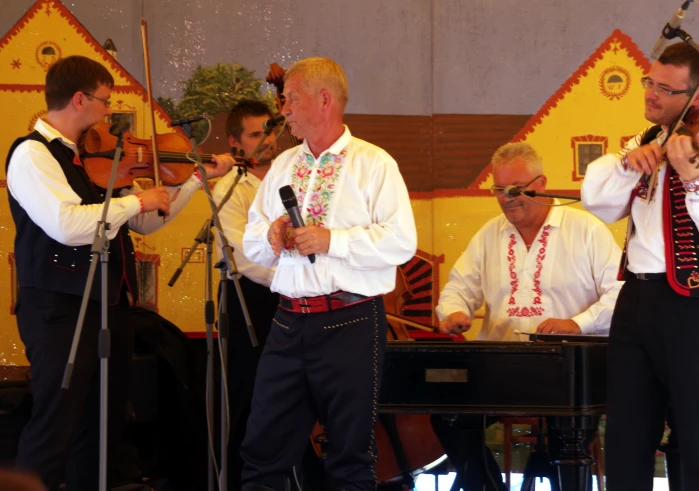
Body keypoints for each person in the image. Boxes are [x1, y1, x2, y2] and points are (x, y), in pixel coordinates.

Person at [5, 55, 235, 491]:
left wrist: (191, 182)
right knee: (56, 424)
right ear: (79, 99)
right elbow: (68, 225)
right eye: (105, 101)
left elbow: (144, 222)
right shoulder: (33, 154)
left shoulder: (92, 159)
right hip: (58, 310)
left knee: (102, 425)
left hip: (107, 308)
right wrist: (136, 201)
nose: (110, 112)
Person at [581, 41, 699, 491]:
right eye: (649, 82)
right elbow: (598, 203)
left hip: (695, 303)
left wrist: (694, 178)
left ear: (696, 98)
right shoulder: (645, 141)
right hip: (637, 297)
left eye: (664, 88)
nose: (650, 94)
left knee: (697, 432)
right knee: (625, 430)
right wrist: (626, 165)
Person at [241, 57, 417, 491]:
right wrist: (273, 234)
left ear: (324, 99)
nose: (284, 110)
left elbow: (401, 242)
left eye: (291, 99)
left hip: (350, 322)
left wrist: (332, 240)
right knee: (262, 451)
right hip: (287, 321)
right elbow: (249, 241)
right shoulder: (282, 165)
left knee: (349, 454)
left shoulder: (374, 164)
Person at [435, 141, 623, 490]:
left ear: (540, 183)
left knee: (565, 431)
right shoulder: (489, 234)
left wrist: (577, 324)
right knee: (445, 412)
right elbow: (458, 288)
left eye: (516, 189)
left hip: (566, 372)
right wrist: (454, 312)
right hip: (498, 370)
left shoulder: (586, 230)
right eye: (499, 190)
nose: (508, 198)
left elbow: (621, 294)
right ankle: (488, 486)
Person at [211, 99, 281, 491]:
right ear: (236, 143)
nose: (267, 141)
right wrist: (294, 278)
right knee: (249, 400)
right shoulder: (231, 189)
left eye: (269, 131)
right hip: (248, 301)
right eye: (256, 135)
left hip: (291, 300)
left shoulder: (291, 177)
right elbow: (244, 257)